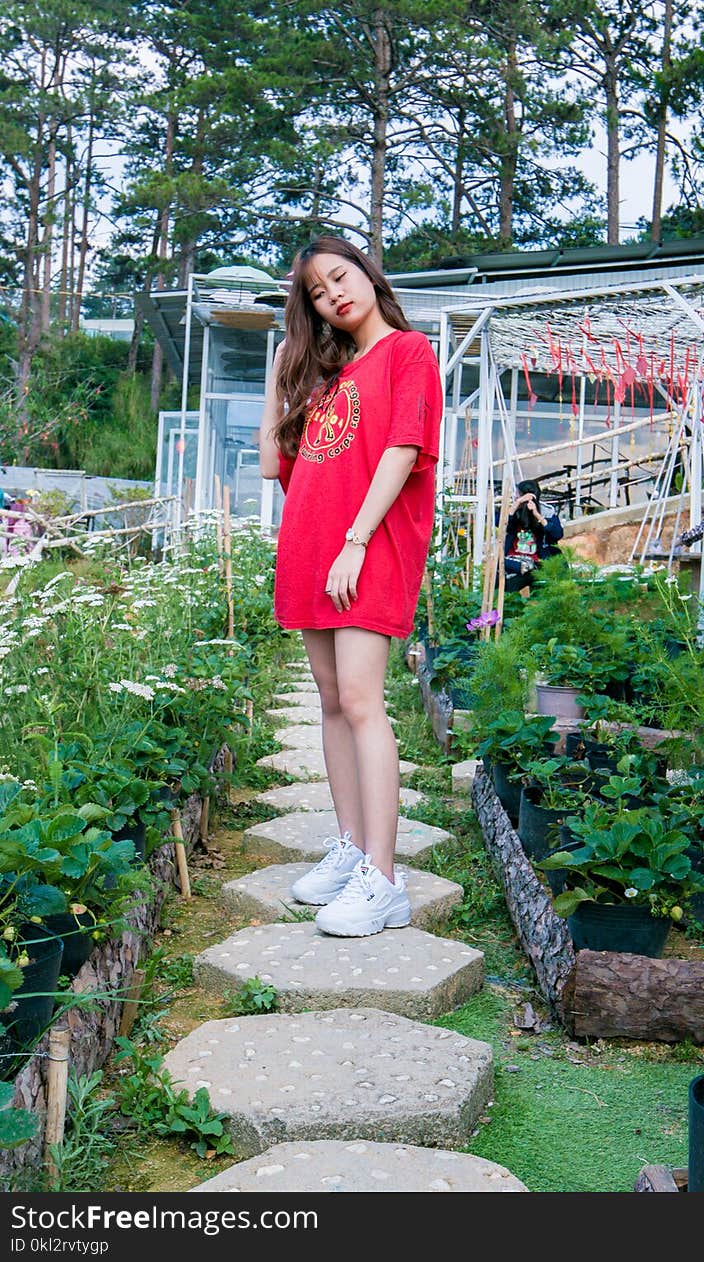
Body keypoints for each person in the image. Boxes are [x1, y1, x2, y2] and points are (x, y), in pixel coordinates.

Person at [259, 236, 442, 938]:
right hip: (311, 550)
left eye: (340, 276)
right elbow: (277, 467)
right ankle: (349, 847)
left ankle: (383, 878)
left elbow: (401, 451)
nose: (333, 293)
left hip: (367, 551)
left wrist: (356, 543)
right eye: (316, 292)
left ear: (367, 273)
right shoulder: (329, 376)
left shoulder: (407, 353)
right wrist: (282, 369)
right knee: (333, 702)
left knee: (363, 702)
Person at [503, 478, 564, 591]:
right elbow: (501, 524)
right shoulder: (514, 511)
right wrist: (517, 504)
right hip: (513, 560)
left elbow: (557, 534)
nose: (516, 496)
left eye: (517, 494)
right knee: (503, 578)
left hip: (538, 562)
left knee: (517, 581)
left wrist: (537, 515)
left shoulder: (546, 511)